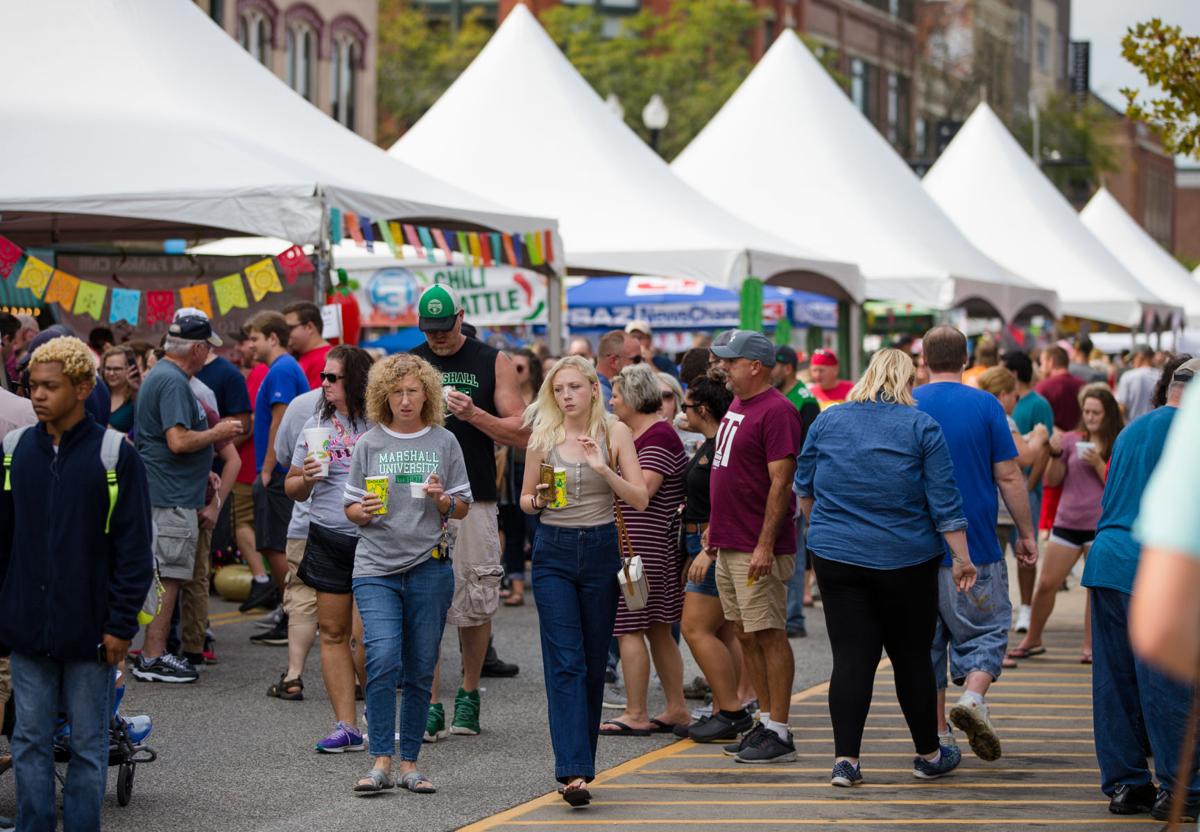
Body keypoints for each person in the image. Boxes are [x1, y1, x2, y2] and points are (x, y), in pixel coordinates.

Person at [797, 348, 974, 786]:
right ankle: (929, 755)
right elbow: (944, 502)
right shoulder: (921, 426)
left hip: (836, 556)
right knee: (911, 657)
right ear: (907, 382)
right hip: (905, 559)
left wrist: (822, 532)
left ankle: (846, 762)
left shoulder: (829, 419)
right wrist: (962, 558)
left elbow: (804, 488)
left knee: (852, 658)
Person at [0, 336, 153, 831]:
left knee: (87, 747)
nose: (37, 396)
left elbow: (133, 550)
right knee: (28, 742)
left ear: (82, 387)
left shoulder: (114, 455)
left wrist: (120, 625)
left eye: (50, 386)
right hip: (26, 631)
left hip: (93, 634)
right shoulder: (14, 451)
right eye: (31, 386)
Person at [520, 356, 648, 806]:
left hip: (599, 550)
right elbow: (525, 501)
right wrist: (535, 499)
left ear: (594, 388)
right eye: (559, 389)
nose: (567, 395)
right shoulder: (543, 435)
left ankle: (582, 763)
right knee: (566, 661)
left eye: (575, 386)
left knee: (594, 663)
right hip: (553, 549)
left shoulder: (615, 433)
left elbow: (641, 498)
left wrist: (603, 469)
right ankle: (572, 772)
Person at [344, 353, 472, 795]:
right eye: (396, 392)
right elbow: (350, 507)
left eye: (412, 391)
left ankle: (410, 763)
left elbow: (462, 506)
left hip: (428, 566)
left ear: (427, 394)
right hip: (375, 566)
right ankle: (380, 758)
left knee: (421, 666)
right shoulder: (369, 443)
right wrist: (362, 510)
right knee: (382, 657)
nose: (404, 400)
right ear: (383, 395)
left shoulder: (444, 442)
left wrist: (442, 501)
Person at [1082, 357, 1200, 820]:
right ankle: (1182, 789)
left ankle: (1127, 786)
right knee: (1168, 682)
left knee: (1115, 682)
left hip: (1109, 561)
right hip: (1155, 564)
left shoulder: (1133, 430)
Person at [914, 326, 1036, 763]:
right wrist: (1026, 532)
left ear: (923, 360)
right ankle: (973, 698)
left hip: (917, 549)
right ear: (966, 361)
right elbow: (1008, 475)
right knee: (986, 629)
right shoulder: (986, 405)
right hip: (977, 543)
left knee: (927, 645)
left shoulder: (907, 403)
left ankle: (937, 738)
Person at [410, 284, 525, 739]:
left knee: (476, 598)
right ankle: (431, 700)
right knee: (426, 601)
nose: (437, 338)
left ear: (461, 317)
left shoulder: (491, 360)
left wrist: (475, 415)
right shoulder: (411, 363)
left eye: (445, 327)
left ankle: (470, 694)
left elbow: (521, 431)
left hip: (474, 496)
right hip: (420, 496)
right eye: (429, 330)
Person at [707, 330, 805, 764]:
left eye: (731, 361)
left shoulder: (777, 411)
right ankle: (765, 722)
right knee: (746, 633)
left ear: (756, 366)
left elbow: (781, 483)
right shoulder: (738, 403)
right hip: (732, 540)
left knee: (768, 632)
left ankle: (779, 729)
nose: (723, 367)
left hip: (755, 544)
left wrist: (766, 544)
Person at [131, 315, 242, 684]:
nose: (208, 354)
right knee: (169, 577)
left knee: (167, 574)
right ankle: (153, 654)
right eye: (207, 347)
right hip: (171, 496)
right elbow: (178, 441)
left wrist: (202, 468)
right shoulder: (173, 381)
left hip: (169, 492)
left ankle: (152, 652)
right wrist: (218, 432)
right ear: (196, 349)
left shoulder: (163, 376)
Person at [284, 345, 374, 751]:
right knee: (333, 633)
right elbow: (291, 488)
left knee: (370, 636)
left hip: (374, 539)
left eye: (332, 378)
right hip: (328, 536)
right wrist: (305, 478)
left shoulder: (381, 423)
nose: (323, 384)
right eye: (322, 377)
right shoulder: (315, 424)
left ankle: (380, 713)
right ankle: (346, 726)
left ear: (354, 380)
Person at [600, 364, 689, 736]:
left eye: (617, 395)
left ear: (634, 398)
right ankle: (676, 708)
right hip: (648, 542)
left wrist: (603, 470)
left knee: (629, 627)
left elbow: (643, 493)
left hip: (640, 544)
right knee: (656, 628)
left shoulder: (656, 437)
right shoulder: (656, 434)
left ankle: (636, 712)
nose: (612, 401)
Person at [1009, 385, 1123, 663]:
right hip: (1067, 521)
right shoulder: (1071, 440)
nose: (1091, 417)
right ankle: (1032, 638)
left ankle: (1090, 645)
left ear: (1108, 414)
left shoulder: (1117, 443)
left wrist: (1098, 463)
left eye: (1096, 412)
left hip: (1099, 525)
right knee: (1047, 583)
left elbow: (1116, 487)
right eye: (1087, 411)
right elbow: (1053, 481)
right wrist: (1056, 454)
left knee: (1094, 590)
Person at [676, 373, 756, 744]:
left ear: (703, 410)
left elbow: (727, 500)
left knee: (694, 628)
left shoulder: (718, 445)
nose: (682, 412)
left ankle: (731, 710)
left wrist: (709, 550)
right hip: (706, 539)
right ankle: (732, 706)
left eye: (686, 406)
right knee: (725, 631)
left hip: (710, 543)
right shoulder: (713, 442)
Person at [245, 311, 310, 617]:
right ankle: (290, 610)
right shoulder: (280, 368)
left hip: (278, 471)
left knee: (276, 544)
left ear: (273, 338)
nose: (251, 345)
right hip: (279, 469)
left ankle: (290, 613)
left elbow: (279, 420)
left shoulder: (281, 369)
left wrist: (267, 470)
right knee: (275, 542)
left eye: (255, 338)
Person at [260, 386, 323, 656]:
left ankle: (294, 674)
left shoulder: (301, 405)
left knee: (302, 597)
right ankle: (357, 678)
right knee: (344, 605)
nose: (327, 383)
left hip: (313, 520)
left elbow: (283, 455)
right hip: (343, 524)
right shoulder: (377, 416)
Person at [1002, 351, 1055, 634]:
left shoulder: (1038, 404)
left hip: (1025, 488)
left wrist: (1030, 484)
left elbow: (1044, 447)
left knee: (1026, 550)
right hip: (1003, 488)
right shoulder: (1002, 405)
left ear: (1013, 373)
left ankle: (1025, 608)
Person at [772, 345, 821, 637]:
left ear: (787, 367)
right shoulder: (779, 395)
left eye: (774, 366)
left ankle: (793, 617)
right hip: (779, 481)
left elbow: (807, 450)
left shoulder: (805, 400)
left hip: (794, 484)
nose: (769, 372)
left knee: (793, 547)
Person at [498, 349, 543, 608]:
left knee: (536, 528)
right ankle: (515, 586)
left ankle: (542, 582)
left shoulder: (542, 399)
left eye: (520, 368)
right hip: (511, 470)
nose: (514, 373)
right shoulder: (504, 397)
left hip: (536, 469)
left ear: (531, 370)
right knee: (513, 529)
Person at [283, 301, 332, 390]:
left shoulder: (325, 359)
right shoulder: (299, 354)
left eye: (289, 328)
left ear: (309, 327)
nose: (285, 333)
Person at [1037, 345, 1085, 431]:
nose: (1040, 368)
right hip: (1080, 439)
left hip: (1052, 440)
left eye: (1041, 363)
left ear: (1050, 362)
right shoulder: (1083, 385)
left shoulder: (1042, 387)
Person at [594, 330, 640, 410]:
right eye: (637, 359)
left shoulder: (596, 388)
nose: (641, 365)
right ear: (614, 361)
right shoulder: (605, 396)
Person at [1115, 345, 1159, 423]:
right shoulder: (1162, 375)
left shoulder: (1128, 376)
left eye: (1132, 359)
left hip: (1133, 427)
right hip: (1156, 427)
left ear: (1140, 356)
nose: (1132, 363)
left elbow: (1121, 407)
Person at [101, 345, 137, 433]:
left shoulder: (136, 399)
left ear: (130, 369)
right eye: (108, 368)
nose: (111, 373)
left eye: (117, 369)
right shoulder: (97, 395)